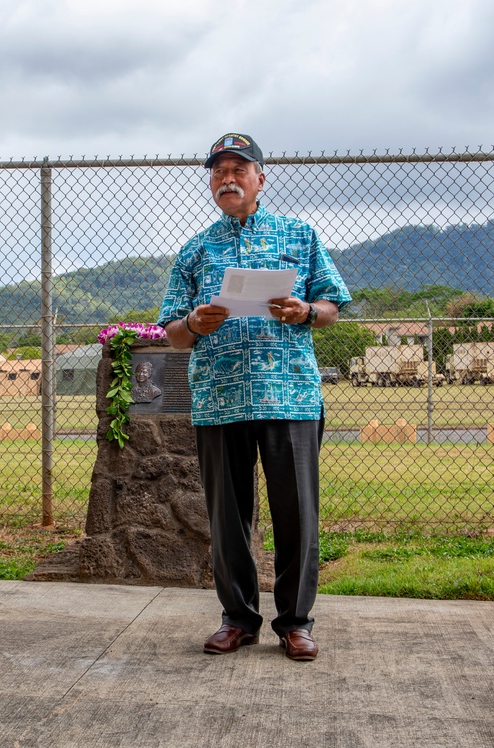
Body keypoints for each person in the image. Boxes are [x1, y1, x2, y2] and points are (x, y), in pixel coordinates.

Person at [158, 133, 350, 662]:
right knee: (226, 517)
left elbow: (333, 303)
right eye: (218, 171)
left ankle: (296, 622)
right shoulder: (196, 250)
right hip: (220, 399)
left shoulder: (299, 234)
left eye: (239, 169)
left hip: (287, 395)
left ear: (260, 178)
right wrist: (194, 322)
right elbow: (172, 330)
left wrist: (306, 311)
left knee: (297, 513)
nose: (228, 178)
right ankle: (238, 619)